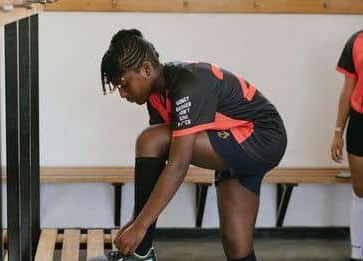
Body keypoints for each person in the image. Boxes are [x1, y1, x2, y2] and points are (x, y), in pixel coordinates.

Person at [89, 29, 287, 261]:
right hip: (238, 146)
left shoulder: (185, 84)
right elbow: (158, 165)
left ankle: (141, 254)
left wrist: (141, 227)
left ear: (145, 69)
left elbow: (178, 163)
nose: (123, 93)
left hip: (262, 137)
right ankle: (142, 251)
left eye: (124, 84)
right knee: (238, 248)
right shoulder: (155, 97)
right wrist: (136, 220)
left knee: (150, 139)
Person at [331, 29, 363, 261]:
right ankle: (357, 252)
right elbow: (347, 90)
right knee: (360, 189)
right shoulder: (355, 41)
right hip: (360, 122)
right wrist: (338, 132)